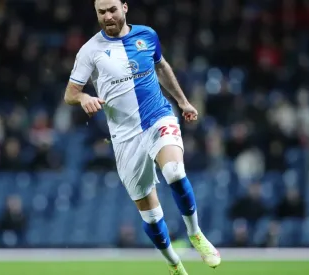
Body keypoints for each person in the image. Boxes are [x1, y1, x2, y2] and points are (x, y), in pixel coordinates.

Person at [64, 0, 221, 274]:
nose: (108, 16)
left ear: (125, 8)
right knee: (150, 213)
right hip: (125, 138)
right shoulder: (89, 51)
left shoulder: (147, 35)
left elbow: (161, 66)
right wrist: (84, 97)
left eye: (112, 9)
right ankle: (175, 264)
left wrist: (182, 102)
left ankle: (195, 233)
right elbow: (70, 93)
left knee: (174, 171)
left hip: (157, 117)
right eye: (102, 12)